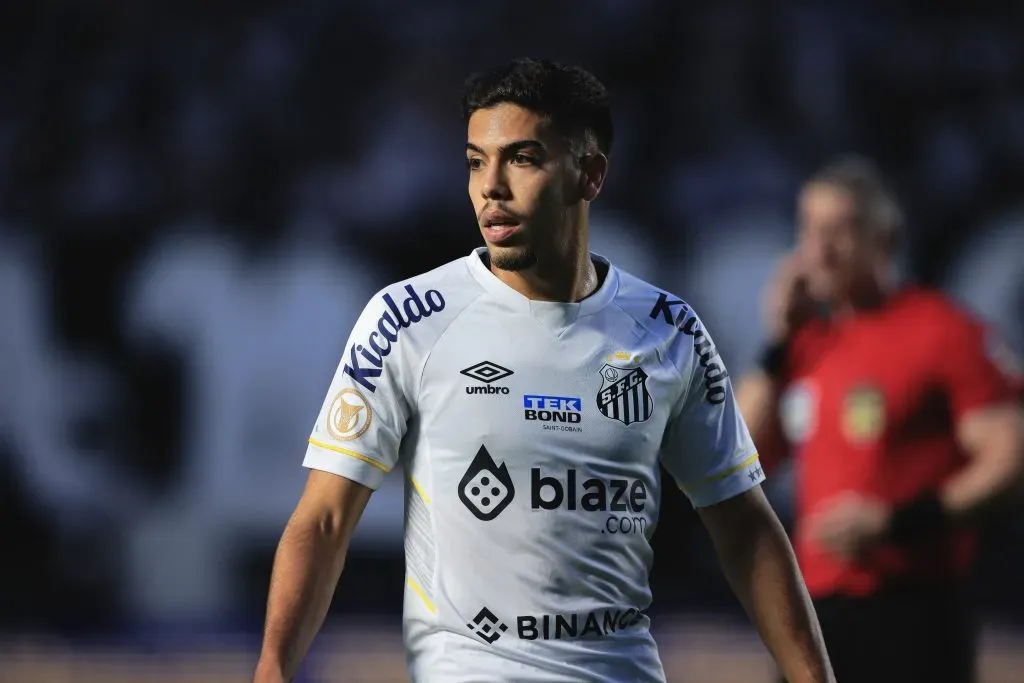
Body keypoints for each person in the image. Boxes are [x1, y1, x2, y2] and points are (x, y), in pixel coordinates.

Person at [253, 58, 833, 683]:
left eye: (522, 159)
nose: (491, 187)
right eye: (476, 162)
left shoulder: (668, 331)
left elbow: (744, 528)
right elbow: (324, 520)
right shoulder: (407, 320)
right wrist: (272, 670)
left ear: (590, 174)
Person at [737, 156, 1024, 683]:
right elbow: (736, 459)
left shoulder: (943, 332)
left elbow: (1009, 460)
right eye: (809, 230)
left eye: (839, 231)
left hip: (913, 611)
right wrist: (776, 342)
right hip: (815, 613)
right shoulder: (805, 346)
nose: (819, 250)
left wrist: (895, 523)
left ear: (883, 239)